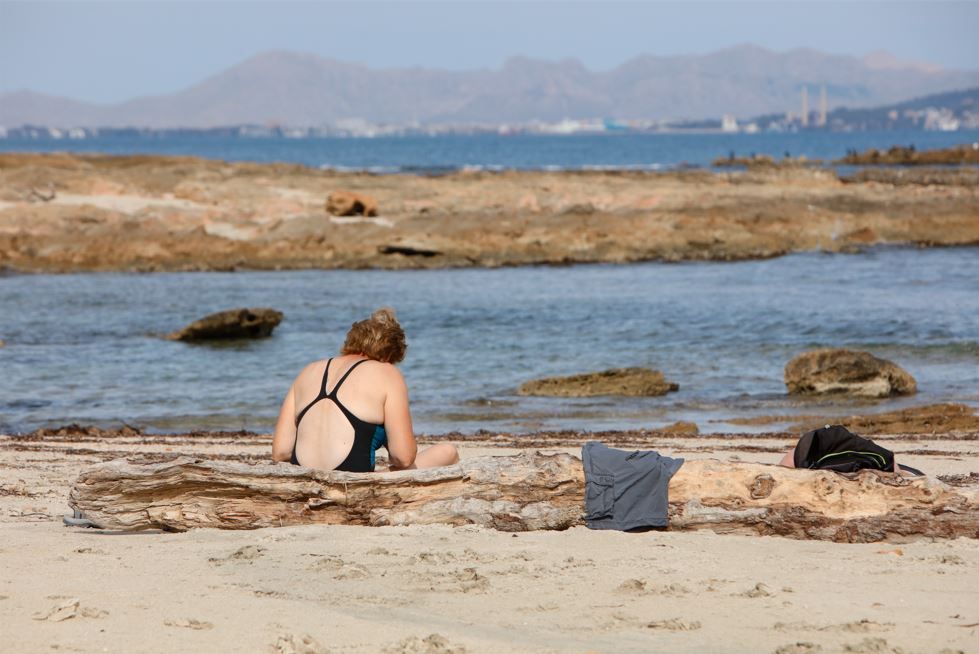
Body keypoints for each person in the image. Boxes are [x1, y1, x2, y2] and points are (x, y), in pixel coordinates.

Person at [271, 308, 459, 472]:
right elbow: (403, 458)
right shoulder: (387, 373)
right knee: (447, 453)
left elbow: (280, 452)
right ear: (390, 354)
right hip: (352, 486)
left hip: (306, 480)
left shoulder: (308, 370)